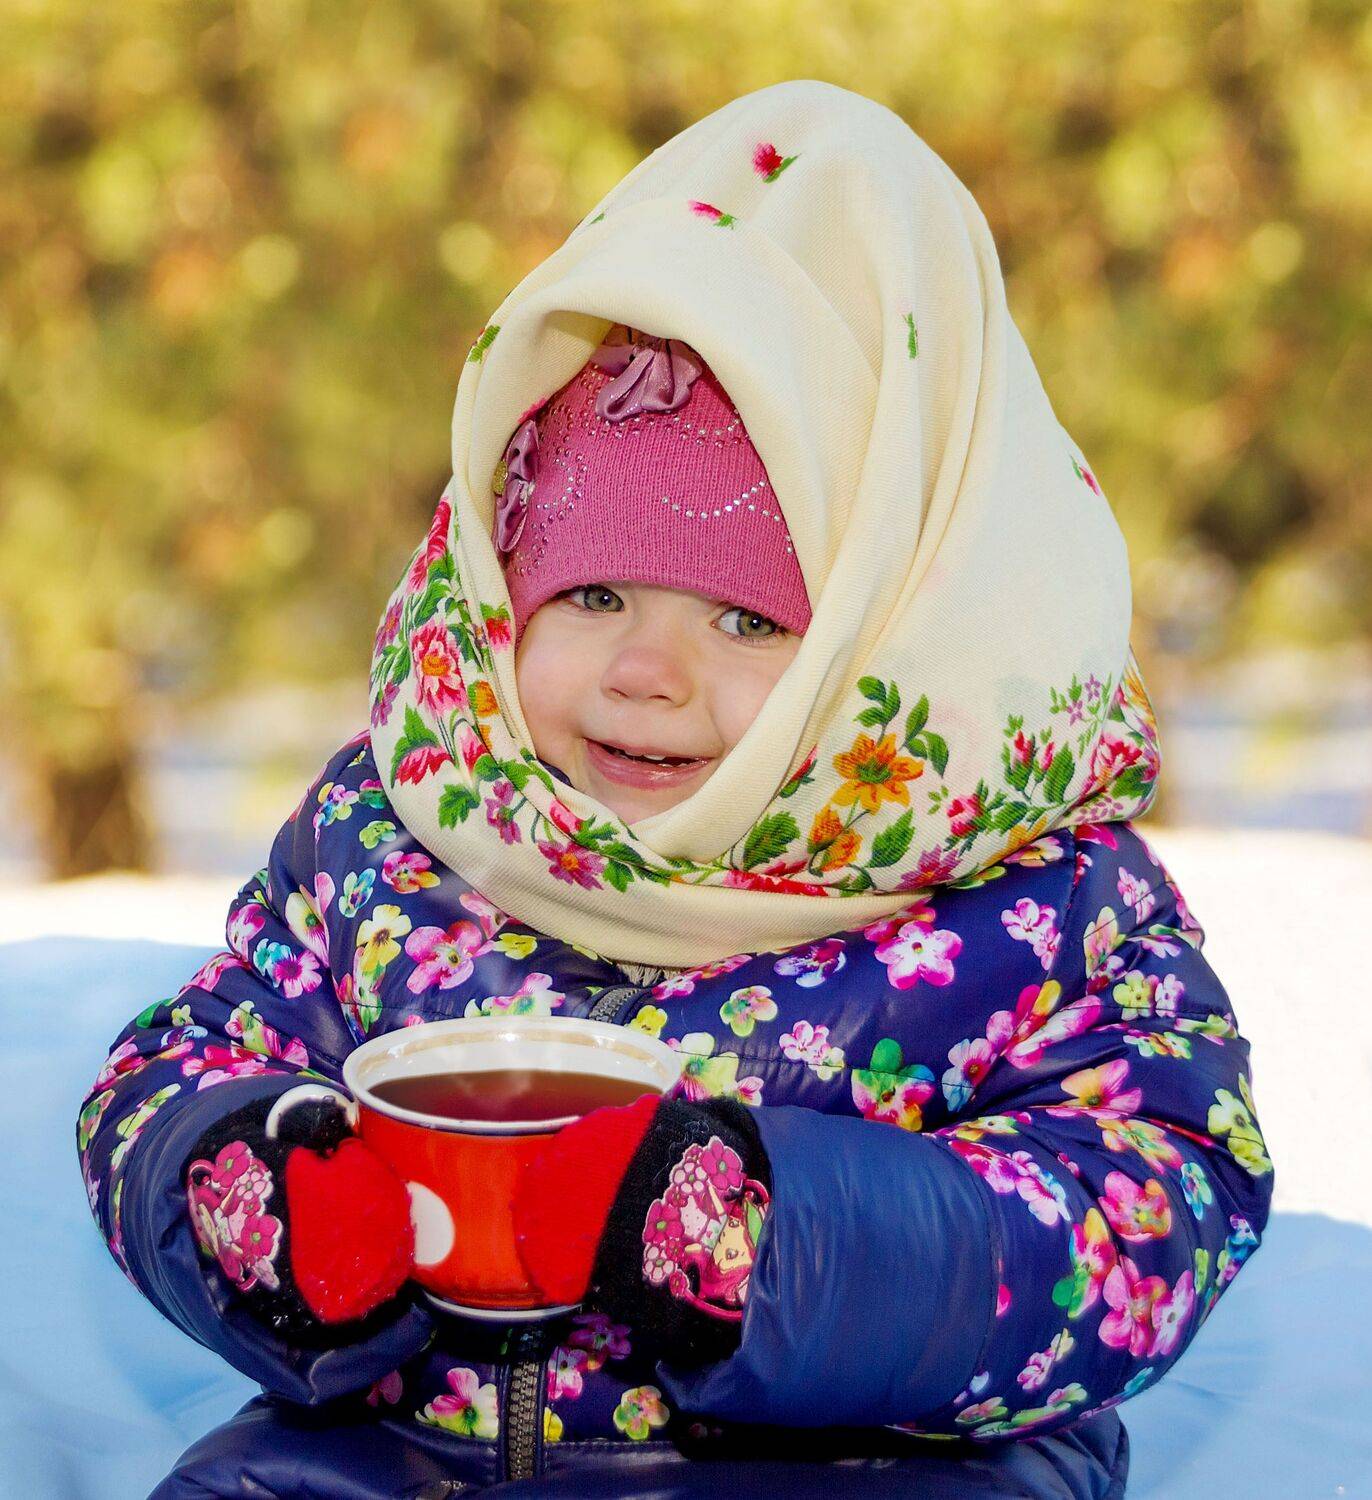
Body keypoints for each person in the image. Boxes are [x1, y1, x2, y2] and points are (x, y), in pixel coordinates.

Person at [77, 80, 1274, 1497]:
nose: (647, 672)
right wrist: (255, 1199)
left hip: (868, 1468)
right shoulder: (400, 837)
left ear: (891, 656)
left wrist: (756, 1239)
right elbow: (185, 1063)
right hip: (397, 1446)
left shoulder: (1035, 909)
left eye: (748, 622)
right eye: (591, 595)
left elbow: (1150, 1202)